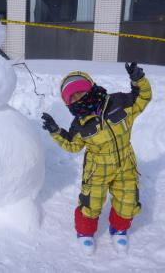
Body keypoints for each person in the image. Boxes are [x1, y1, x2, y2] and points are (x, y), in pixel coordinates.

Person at [41, 62, 152, 255]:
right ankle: (85, 233)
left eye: (80, 92)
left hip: (125, 164)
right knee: (91, 203)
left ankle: (119, 229)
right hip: (97, 170)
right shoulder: (80, 124)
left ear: (90, 88)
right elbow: (73, 145)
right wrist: (56, 131)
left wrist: (138, 80)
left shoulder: (119, 103)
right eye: (73, 97)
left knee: (128, 200)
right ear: (69, 104)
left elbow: (143, 96)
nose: (78, 98)